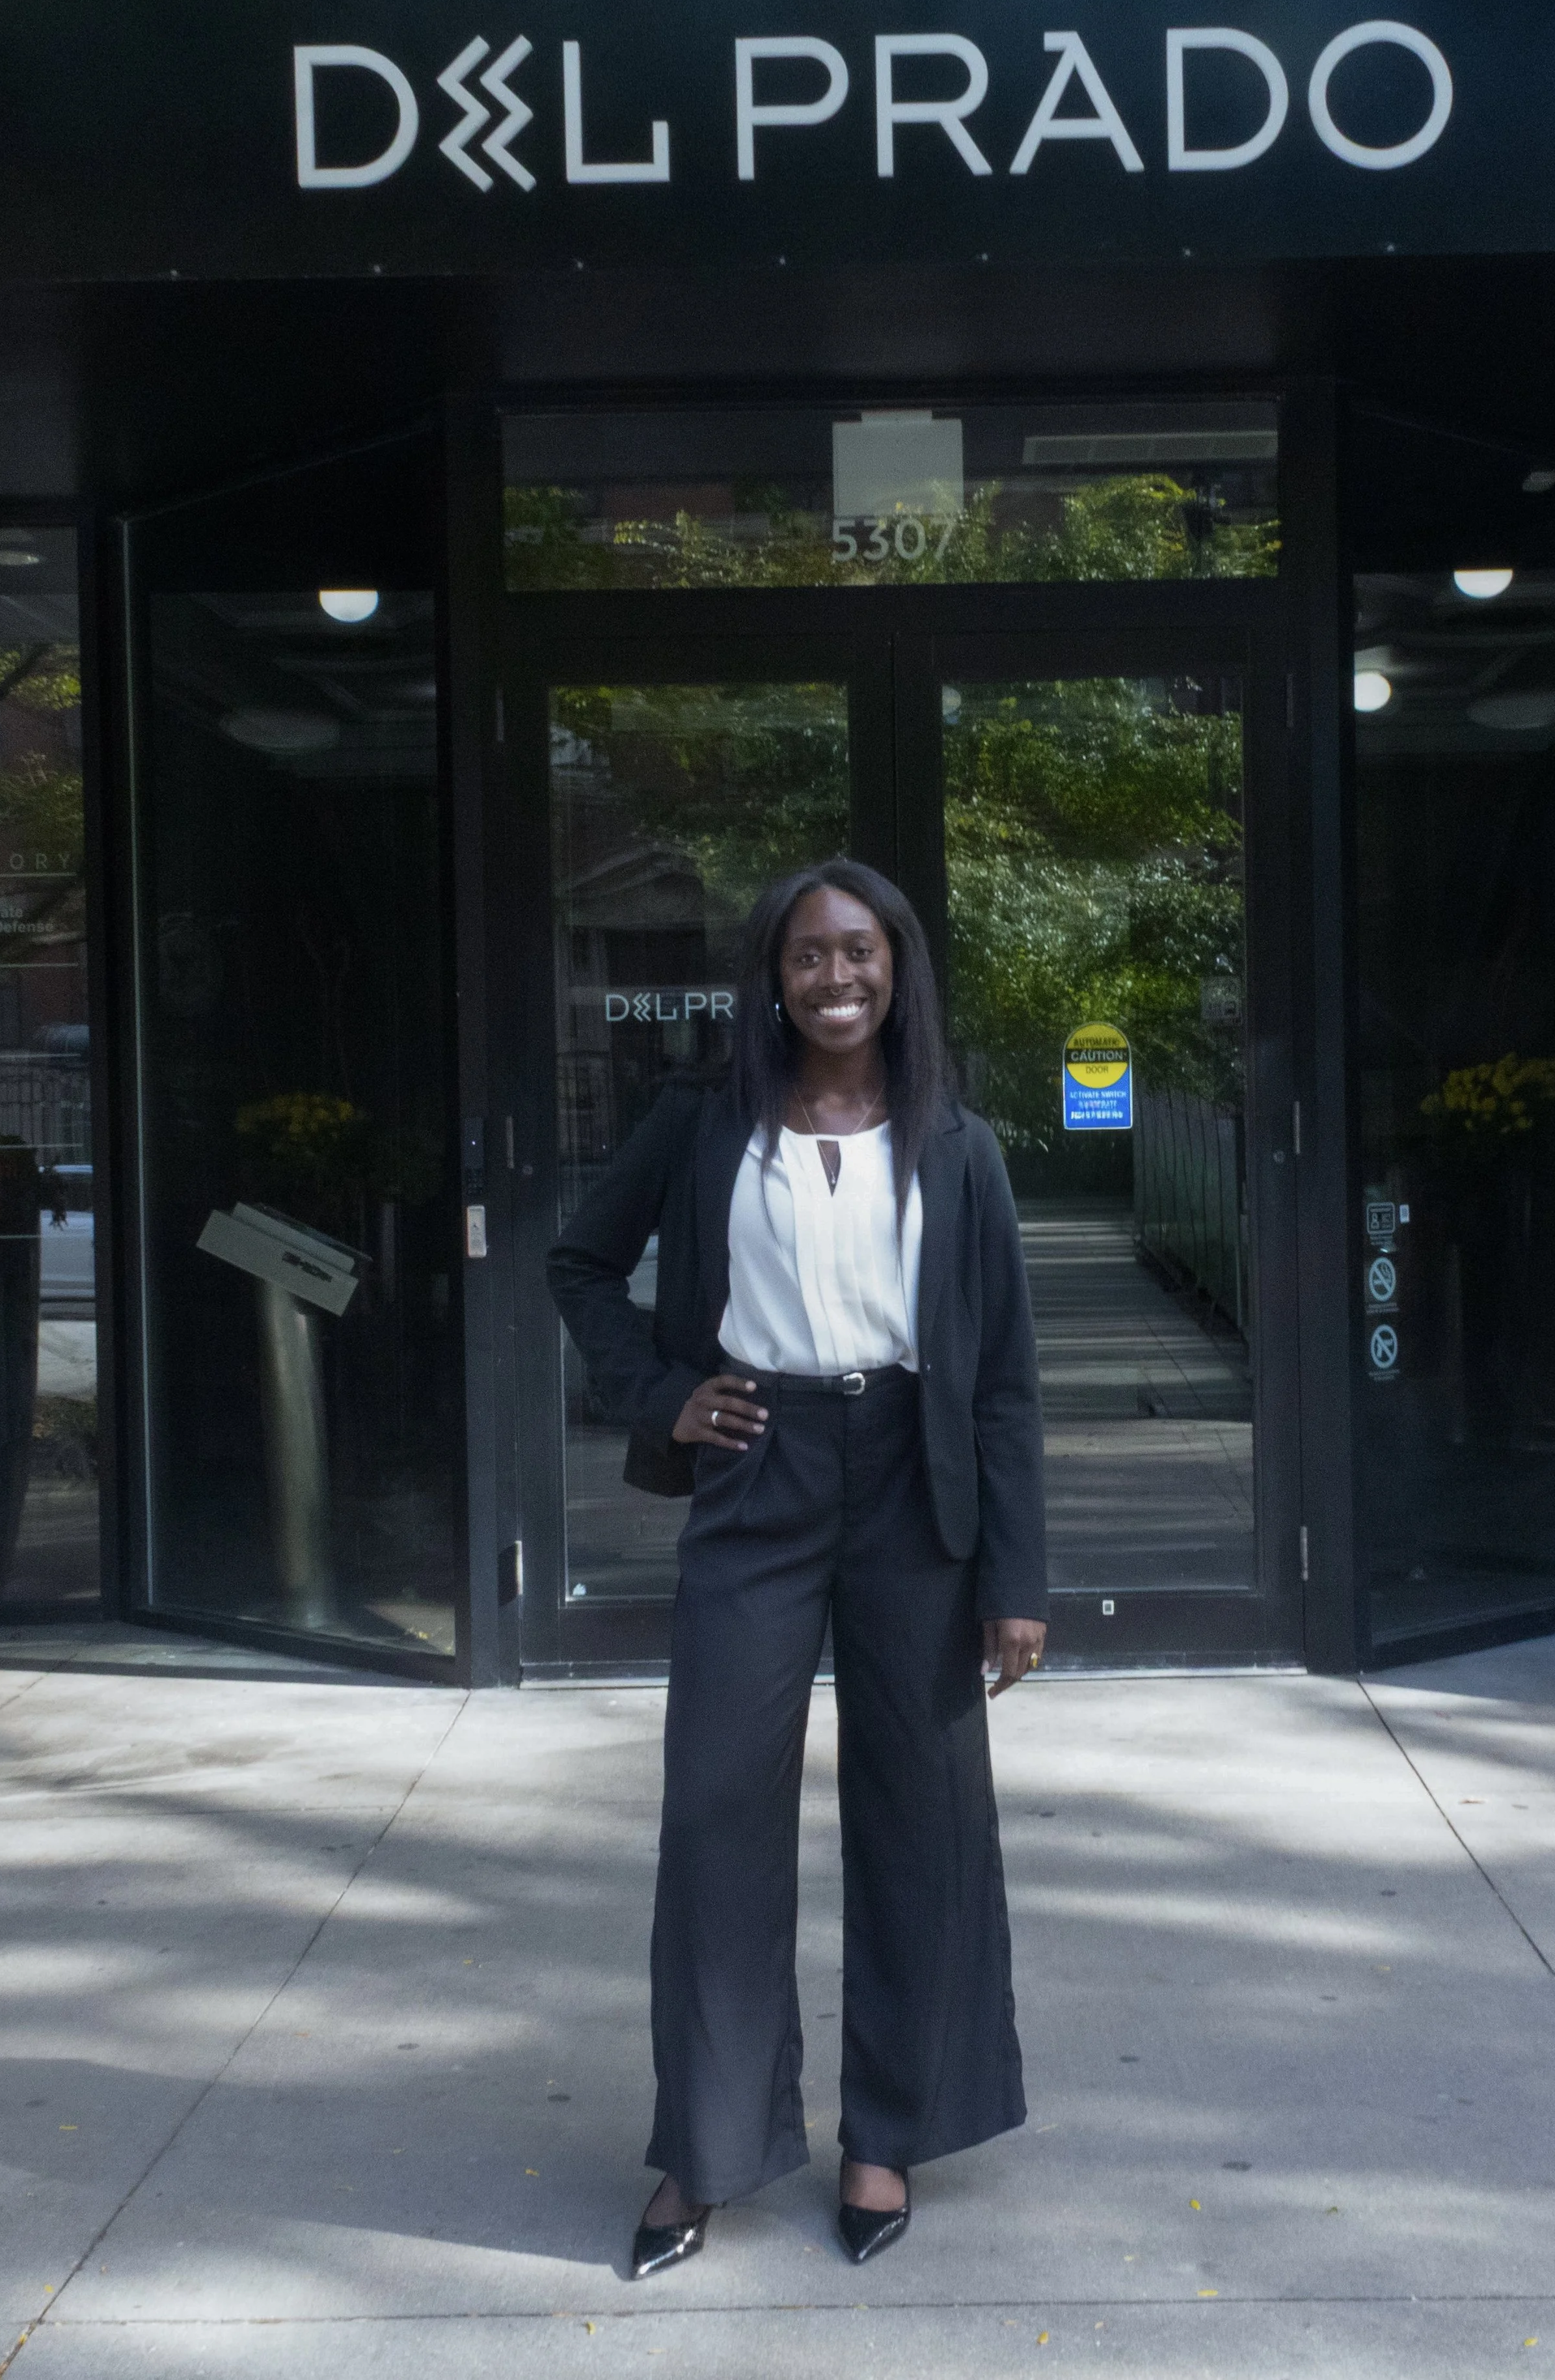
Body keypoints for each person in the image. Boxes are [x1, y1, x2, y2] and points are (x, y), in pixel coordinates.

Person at [547, 858, 1048, 2279]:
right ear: (771, 976)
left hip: (912, 1483)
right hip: (757, 1468)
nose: (836, 977)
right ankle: (705, 2146)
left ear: (897, 968)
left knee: (923, 1817)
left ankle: (889, 2130)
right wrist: (665, 1398)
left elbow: (1004, 1378)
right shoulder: (703, 1123)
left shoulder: (958, 1145)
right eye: (808, 954)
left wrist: (1016, 1578)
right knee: (716, 1813)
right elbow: (580, 1266)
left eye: (859, 951)